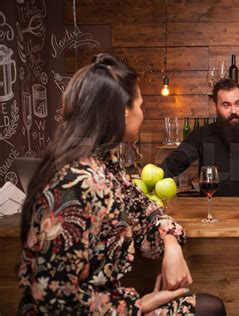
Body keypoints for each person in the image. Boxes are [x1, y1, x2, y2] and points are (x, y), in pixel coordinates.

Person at [18, 54, 226, 315]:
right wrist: (138, 305)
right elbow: (52, 300)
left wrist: (171, 244)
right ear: (123, 113)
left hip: (110, 304)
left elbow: (143, 207)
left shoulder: (106, 163)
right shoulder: (78, 181)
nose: (143, 112)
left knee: (210, 307)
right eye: (140, 105)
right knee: (209, 310)